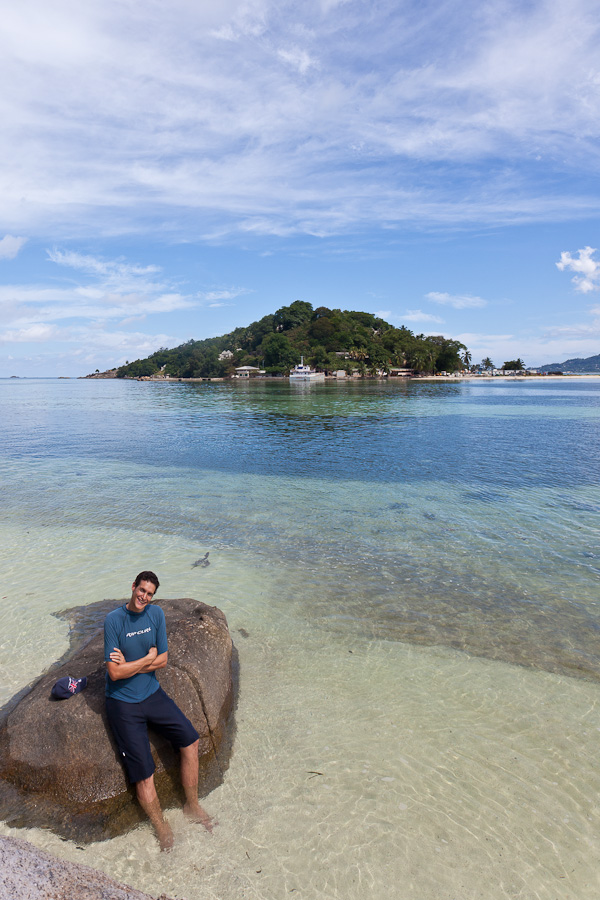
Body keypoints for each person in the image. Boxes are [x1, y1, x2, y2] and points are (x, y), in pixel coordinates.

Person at [104, 571, 214, 849]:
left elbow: (163, 660)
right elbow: (114, 673)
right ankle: (161, 826)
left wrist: (132, 664)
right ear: (133, 587)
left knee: (191, 740)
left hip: (152, 694)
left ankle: (192, 805)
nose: (144, 597)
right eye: (141, 590)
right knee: (144, 773)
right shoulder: (114, 620)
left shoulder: (156, 615)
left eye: (149, 594)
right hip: (123, 703)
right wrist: (146, 659)